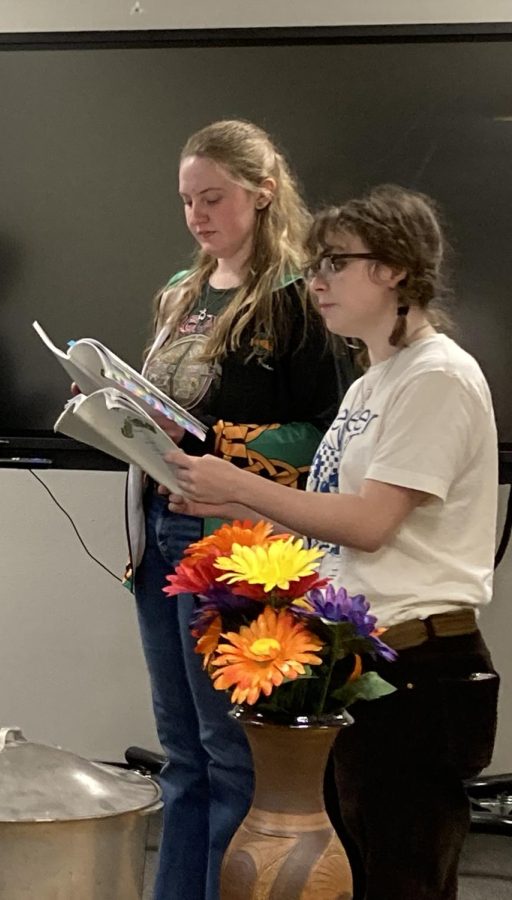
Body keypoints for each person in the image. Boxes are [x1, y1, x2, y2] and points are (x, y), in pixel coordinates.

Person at [167, 185, 500, 900]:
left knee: (400, 876)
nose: (315, 281)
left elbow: (371, 525)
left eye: (337, 263)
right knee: (357, 867)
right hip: (366, 657)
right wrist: (226, 500)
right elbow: (329, 516)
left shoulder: (437, 376)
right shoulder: (372, 381)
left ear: (397, 270)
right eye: (316, 263)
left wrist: (244, 483)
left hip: (419, 665)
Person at [127, 120, 348, 899]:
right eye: (188, 200)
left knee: (228, 752)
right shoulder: (182, 294)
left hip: (237, 540)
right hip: (157, 532)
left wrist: (220, 442)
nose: (197, 214)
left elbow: (327, 433)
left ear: (262, 193)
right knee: (180, 752)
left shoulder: (298, 299)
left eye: (213, 197)